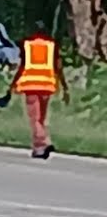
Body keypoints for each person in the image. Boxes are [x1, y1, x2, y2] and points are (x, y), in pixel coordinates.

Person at [8, 22, 69, 159]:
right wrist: (65, 87)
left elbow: (22, 66)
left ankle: (42, 144)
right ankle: (40, 145)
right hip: (47, 85)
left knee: (34, 119)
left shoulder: (27, 44)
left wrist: (13, 84)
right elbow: (58, 66)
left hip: (31, 85)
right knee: (41, 118)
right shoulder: (52, 45)